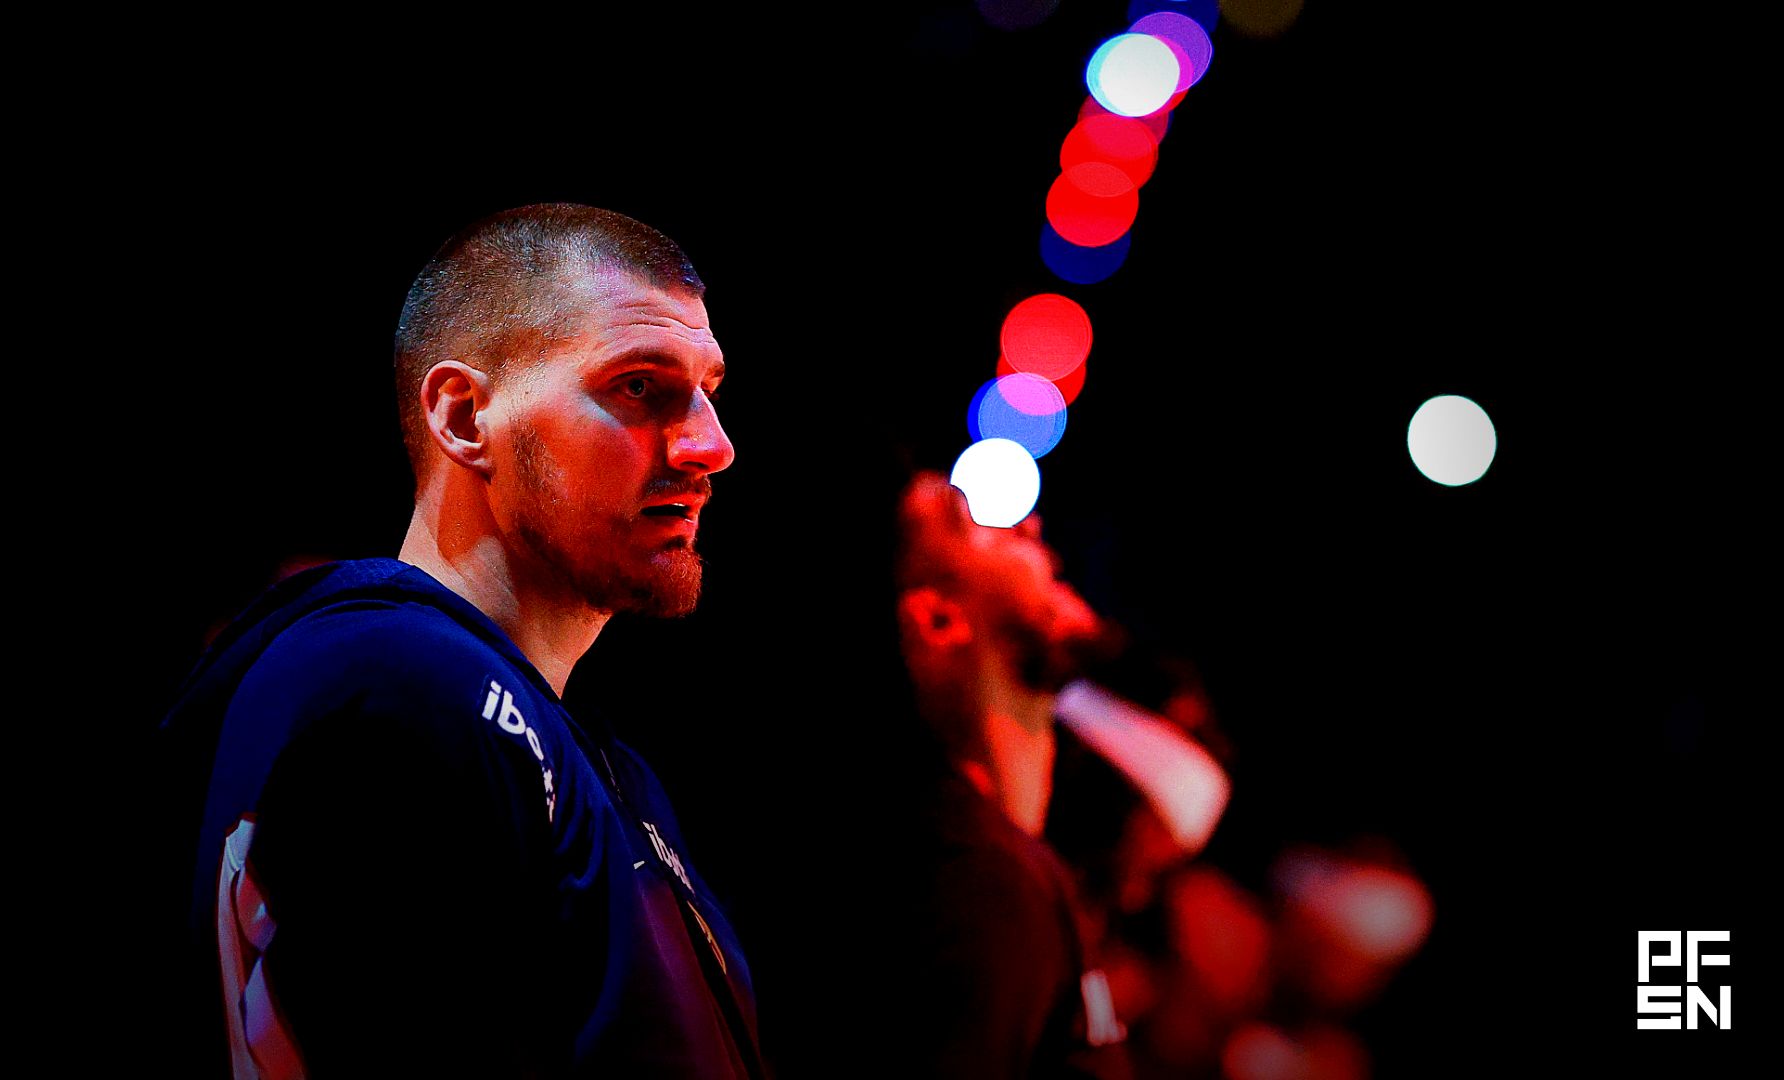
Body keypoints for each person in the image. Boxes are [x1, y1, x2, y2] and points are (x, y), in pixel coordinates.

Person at [161, 204, 762, 1077]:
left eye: (710, 391)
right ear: (463, 415)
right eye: (639, 386)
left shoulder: (579, 751)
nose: (713, 445)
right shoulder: (409, 683)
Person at [872, 472, 1130, 1078]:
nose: (1029, 523)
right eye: (971, 524)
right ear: (938, 622)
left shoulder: (1009, 865)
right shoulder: (979, 886)